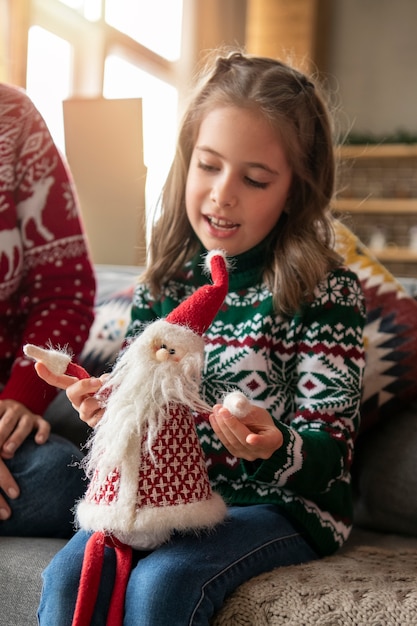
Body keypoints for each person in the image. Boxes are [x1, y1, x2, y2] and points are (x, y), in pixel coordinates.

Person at [37, 50, 366, 625]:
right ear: (185, 163)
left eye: (255, 178)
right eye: (208, 166)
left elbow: (330, 455)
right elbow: (142, 408)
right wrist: (105, 408)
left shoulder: (326, 290)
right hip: (164, 500)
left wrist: (276, 445)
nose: (222, 194)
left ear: (294, 189)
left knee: (165, 583)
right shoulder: (163, 285)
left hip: (281, 506)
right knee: (68, 576)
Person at [0, 83, 96, 536]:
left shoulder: (13, 116)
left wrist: (21, 396)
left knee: (66, 479)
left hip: (7, 406)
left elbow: (65, 291)